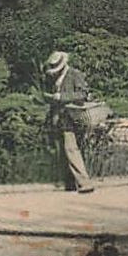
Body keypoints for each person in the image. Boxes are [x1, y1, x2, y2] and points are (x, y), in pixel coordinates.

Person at [42, 50, 99, 194]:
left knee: (71, 148)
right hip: (58, 117)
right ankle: (70, 183)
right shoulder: (53, 77)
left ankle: (85, 182)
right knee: (62, 150)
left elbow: (83, 94)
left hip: (72, 117)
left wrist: (61, 96)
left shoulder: (75, 74)